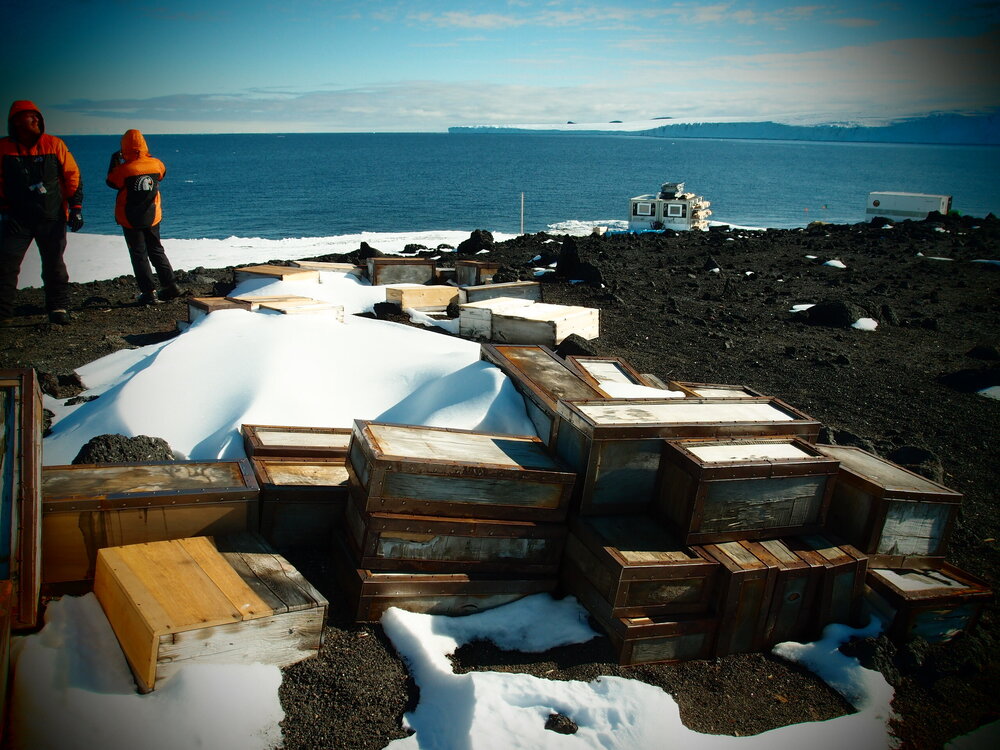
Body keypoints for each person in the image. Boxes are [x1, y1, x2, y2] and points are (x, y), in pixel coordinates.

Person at [0, 100, 83, 325]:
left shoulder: (54, 144)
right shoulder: (4, 148)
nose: (36, 119)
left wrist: (76, 208)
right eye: (30, 116)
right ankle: (3, 313)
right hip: (16, 218)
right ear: (16, 121)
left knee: (54, 263)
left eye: (37, 116)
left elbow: (72, 175)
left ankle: (58, 307)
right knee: (6, 264)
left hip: (51, 216)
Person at [106, 129, 180, 304]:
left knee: (139, 254)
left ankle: (149, 292)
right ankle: (171, 285)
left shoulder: (124, 169)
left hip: (130, 218)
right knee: (156, 250)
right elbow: (162, 175)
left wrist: (114, 161)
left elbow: (111, 182)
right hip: (152, 215)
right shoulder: (156, 164)